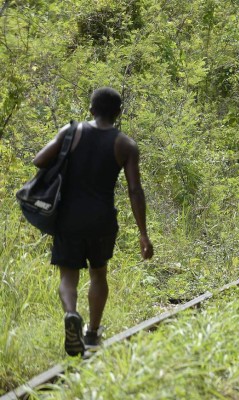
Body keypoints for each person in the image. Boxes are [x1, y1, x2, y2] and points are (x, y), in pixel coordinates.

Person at [33, 87, 154, 356]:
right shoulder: (125, 144)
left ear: (91, 109)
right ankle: (91, 334)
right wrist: (143, 234)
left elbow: (39, 159)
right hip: (101, 220)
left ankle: (71, 314)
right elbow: (135, 190)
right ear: (118, 113)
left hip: (68, 218)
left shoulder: (71, 131)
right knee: (98, 273)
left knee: (68, 276)